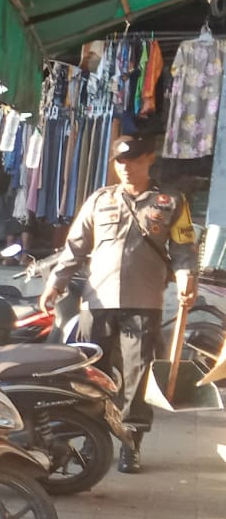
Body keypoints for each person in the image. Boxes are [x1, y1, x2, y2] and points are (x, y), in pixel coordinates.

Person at [41, 132, 197, 473]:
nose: (126, 168)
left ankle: (131, 443)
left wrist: (187, 280)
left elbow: (183, 249)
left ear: (149, 160)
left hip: (145, 302)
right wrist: (56, 283)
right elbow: (76, 246)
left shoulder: (170, 202)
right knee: (87, 374)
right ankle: (87, 438)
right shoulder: (100, 199)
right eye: (120, 162)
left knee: (136, 376)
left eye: (135, 161)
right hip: (97, 301)